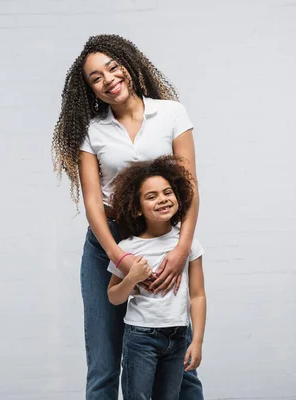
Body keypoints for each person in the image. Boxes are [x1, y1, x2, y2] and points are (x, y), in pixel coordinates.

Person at [52, 34, 202, 399]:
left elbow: (190, 186)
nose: (108, 79)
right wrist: (119, 256)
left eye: (113, 67)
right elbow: (91, 203)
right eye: (95, 77)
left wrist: (181, 249)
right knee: (105, 363)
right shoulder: (91, 130)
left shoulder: (170, 113)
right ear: (89, 89)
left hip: (163, 240)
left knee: (175, 350)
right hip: (109, 241)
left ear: (129, 65)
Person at [107, 155, 206, 400]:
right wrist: (131, 278)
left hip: (178, 336)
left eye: (167, 192)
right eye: (151, 196)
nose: (162, 199)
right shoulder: (128, 247)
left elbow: (198, 295)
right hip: (141, 339)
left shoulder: (188, 245)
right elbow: (113, 297)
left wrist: (198, 342)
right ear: (137, 208)